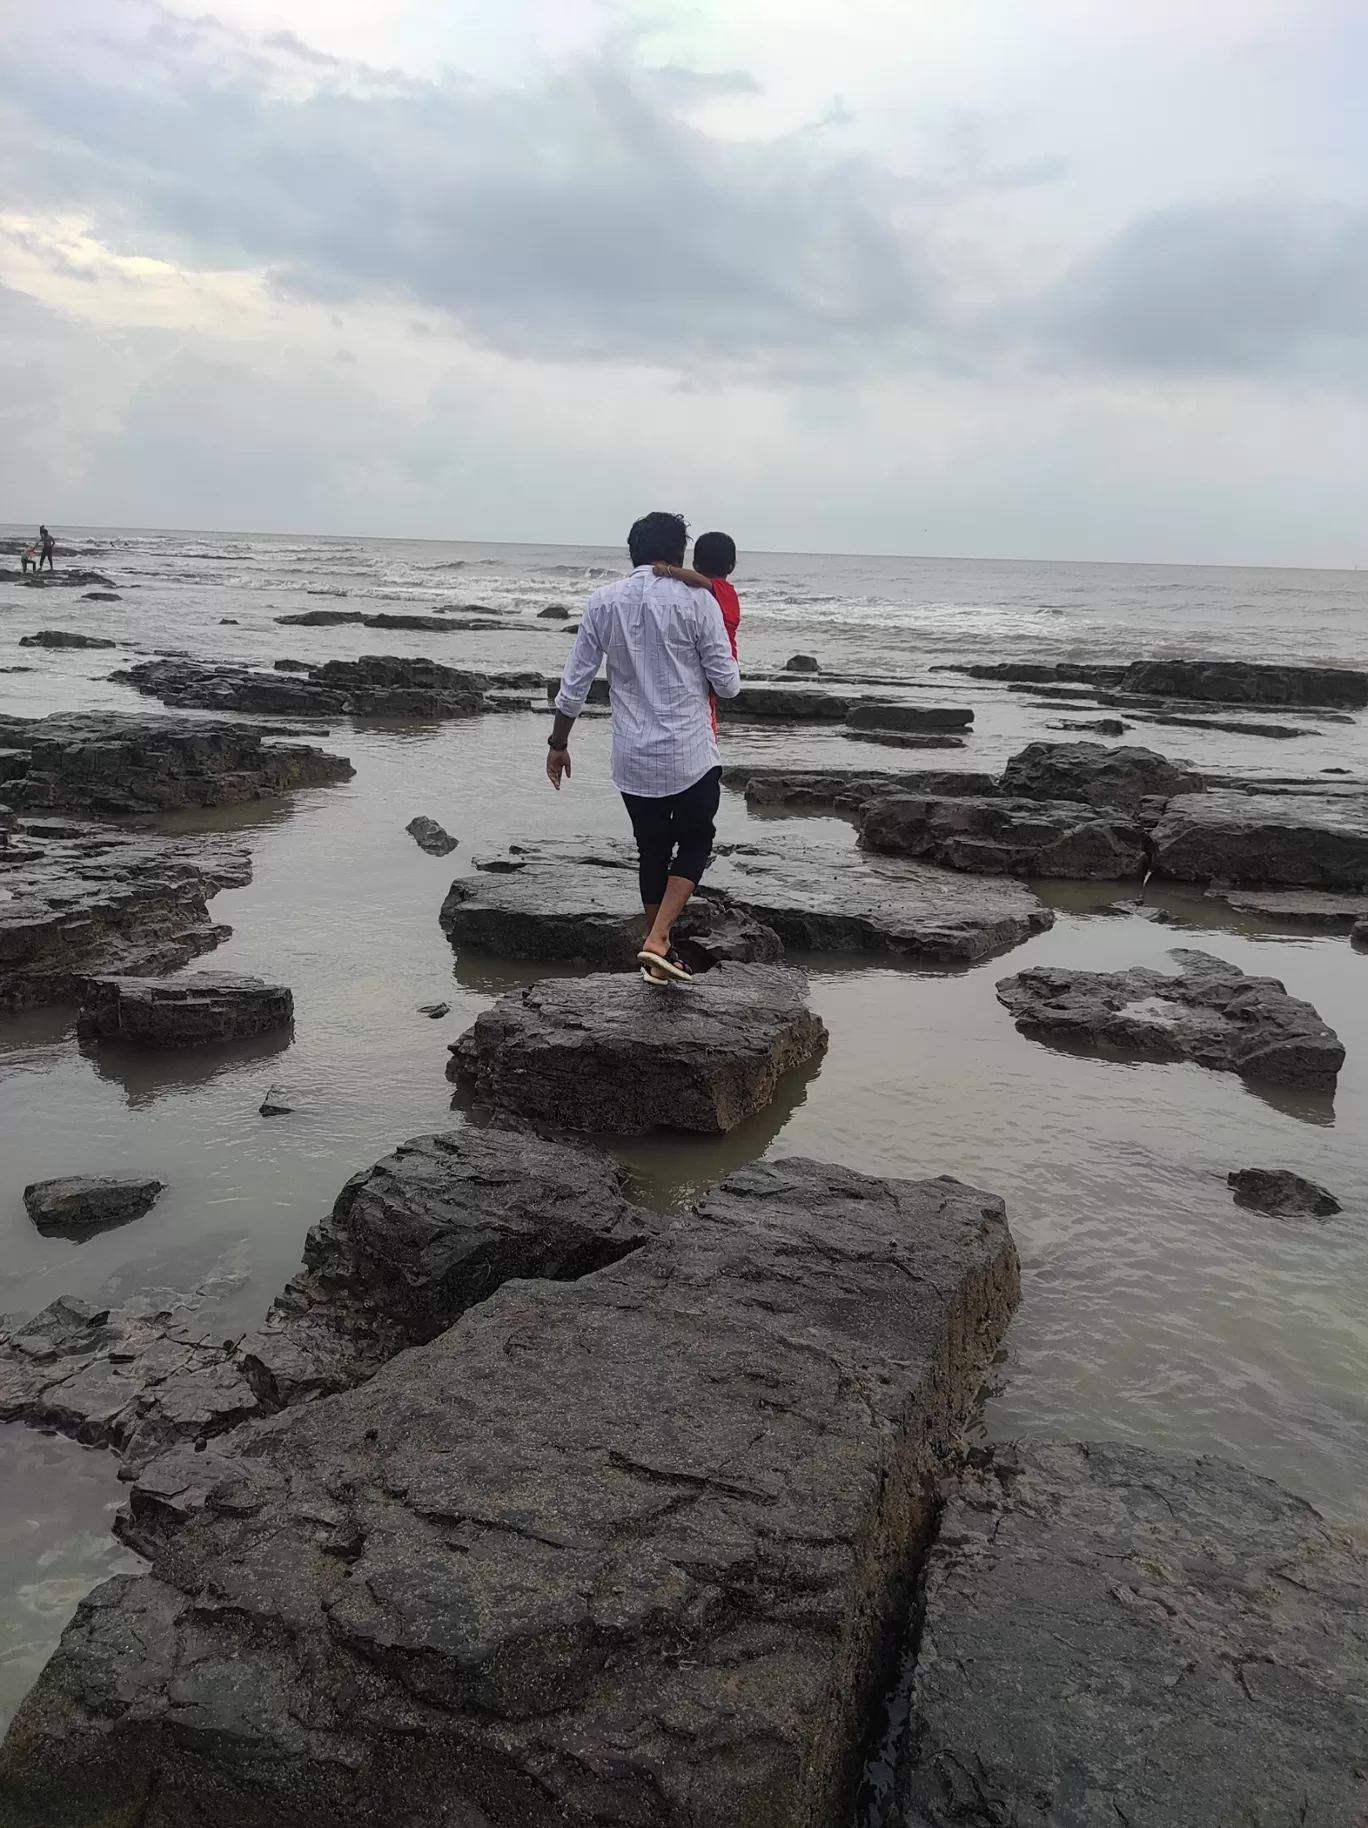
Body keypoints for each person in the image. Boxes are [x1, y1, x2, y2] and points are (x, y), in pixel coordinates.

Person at [547, 510, 741, 983]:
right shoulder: (700, 602)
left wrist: (558, 743)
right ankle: (657, 940)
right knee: (697, 841)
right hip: (691, 753)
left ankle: (661, 951)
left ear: (632, 552)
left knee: (651, 850)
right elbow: (728, 685)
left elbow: (575, 684)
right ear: (679, 553)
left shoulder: (603, 601)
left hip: (633, 757)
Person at [652, 530, 740, 735]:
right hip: (719, 655)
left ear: (695, 565)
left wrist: (668, 570)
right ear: (732, 566)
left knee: (707, 708)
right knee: (707, 707)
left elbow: (703, 582)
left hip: (719, 657)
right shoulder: (729, 593)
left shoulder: (716, 590)